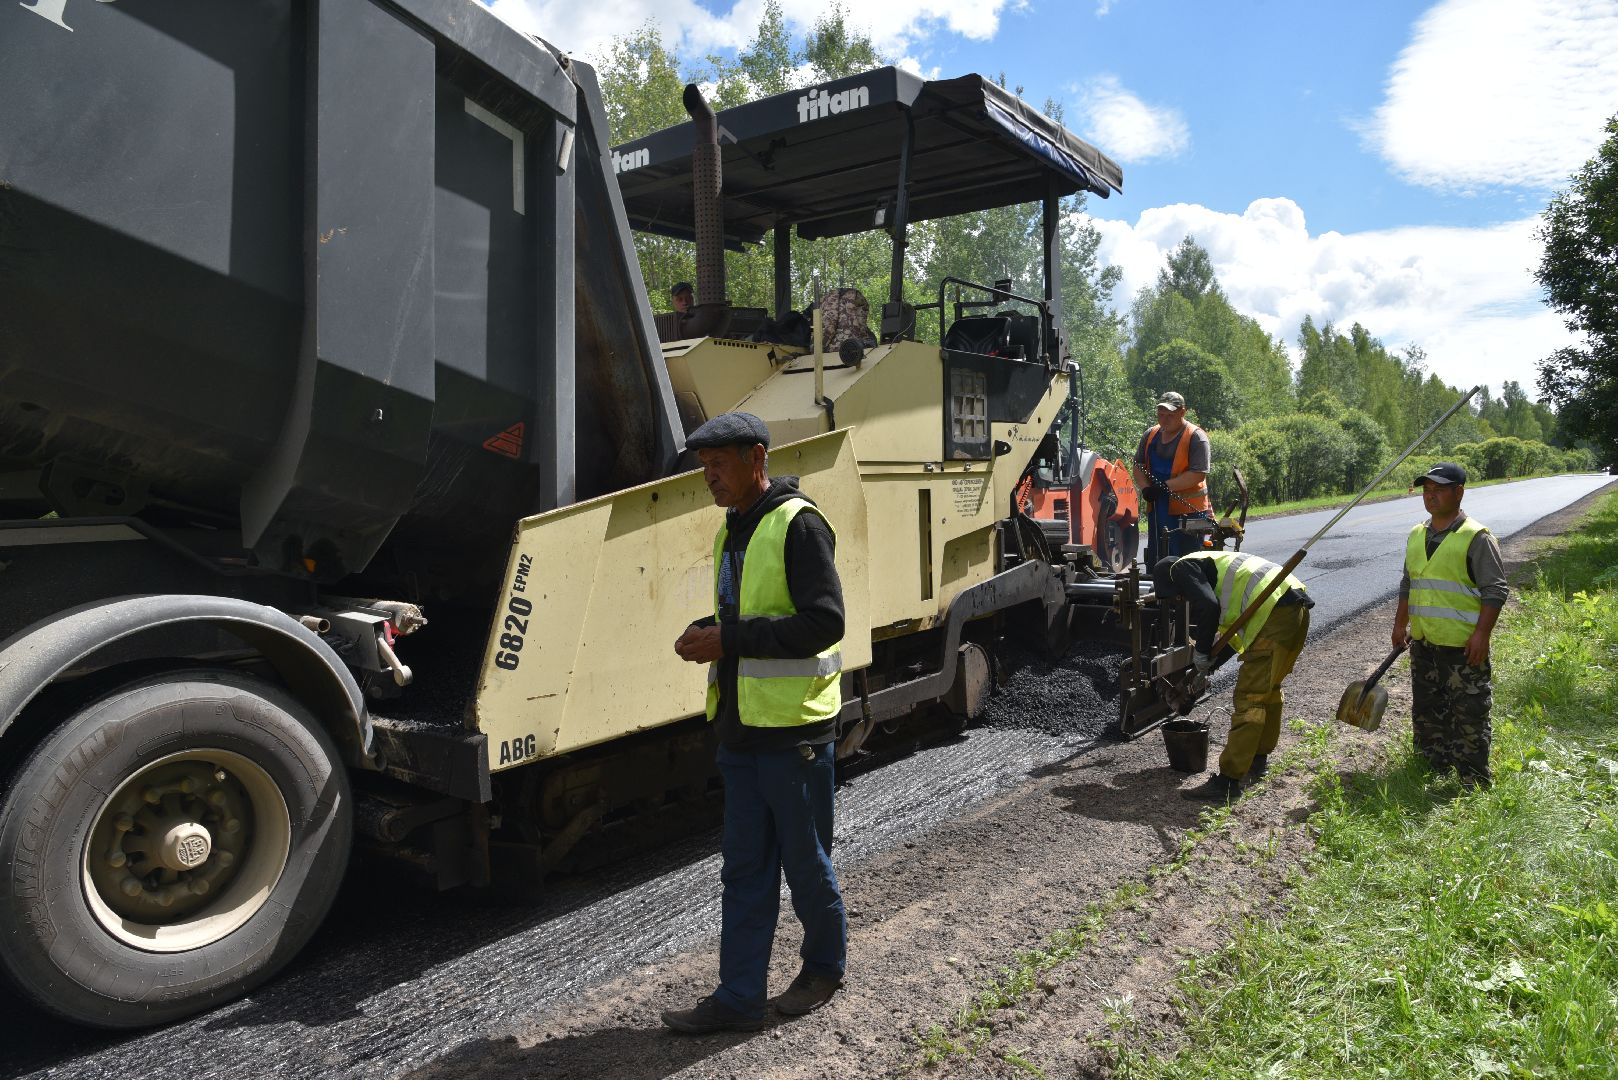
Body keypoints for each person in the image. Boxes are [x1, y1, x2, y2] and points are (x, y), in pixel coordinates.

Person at [663, 411, 848, 1034]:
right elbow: (746, 616)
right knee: (744, 872)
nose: (708, 477)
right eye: (703, 466)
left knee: (806, 863)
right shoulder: (733, 530)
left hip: (794, 735)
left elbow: (825, 623)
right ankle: (738, 998)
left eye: (718, 464)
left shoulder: (800, 525)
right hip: (741, 734)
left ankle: (823, 967)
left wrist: (730, 639)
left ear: (757, 459)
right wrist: (708, 630)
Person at [1153, 549, 1313, 801]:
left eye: (1178, 596)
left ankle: (1227, 782)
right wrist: (1206, 666)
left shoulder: (1179, 568)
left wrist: (1202, 652)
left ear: (1172, 582)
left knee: (1249, 699)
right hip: (1292, 609)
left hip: (1274, 614)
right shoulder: (1217, 573)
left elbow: (1207, 607)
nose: (1182, 599)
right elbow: (1232, 640)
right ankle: (1258, 761)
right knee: (1267, 691)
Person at [1391, 462, 1507, 787]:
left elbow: (1496, 590)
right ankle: (1430, 769)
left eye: (1439, 489)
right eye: (1427, 490)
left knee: (1469, 714)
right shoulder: (1417, 535)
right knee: (1428, 711)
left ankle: (1473, 782)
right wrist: (1400, 625)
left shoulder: (1477, 538)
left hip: (1463, 647)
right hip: (1424, 643)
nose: (1431, 496)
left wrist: (1482, 635)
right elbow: (1408, 582)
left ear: (1459, 492)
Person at [1133, 392, 1212, 565]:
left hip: (1190, 513)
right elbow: (1138, 466)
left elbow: (1198, 474)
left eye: (1170, 415)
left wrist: (1164, 487)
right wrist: (1145, 487)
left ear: (1182, 412)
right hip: (1158, 510)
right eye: (1161, 415)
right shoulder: (1150, 435)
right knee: (1159, 557)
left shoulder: (1196, 438)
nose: (1164, 420)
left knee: (1188, 561)